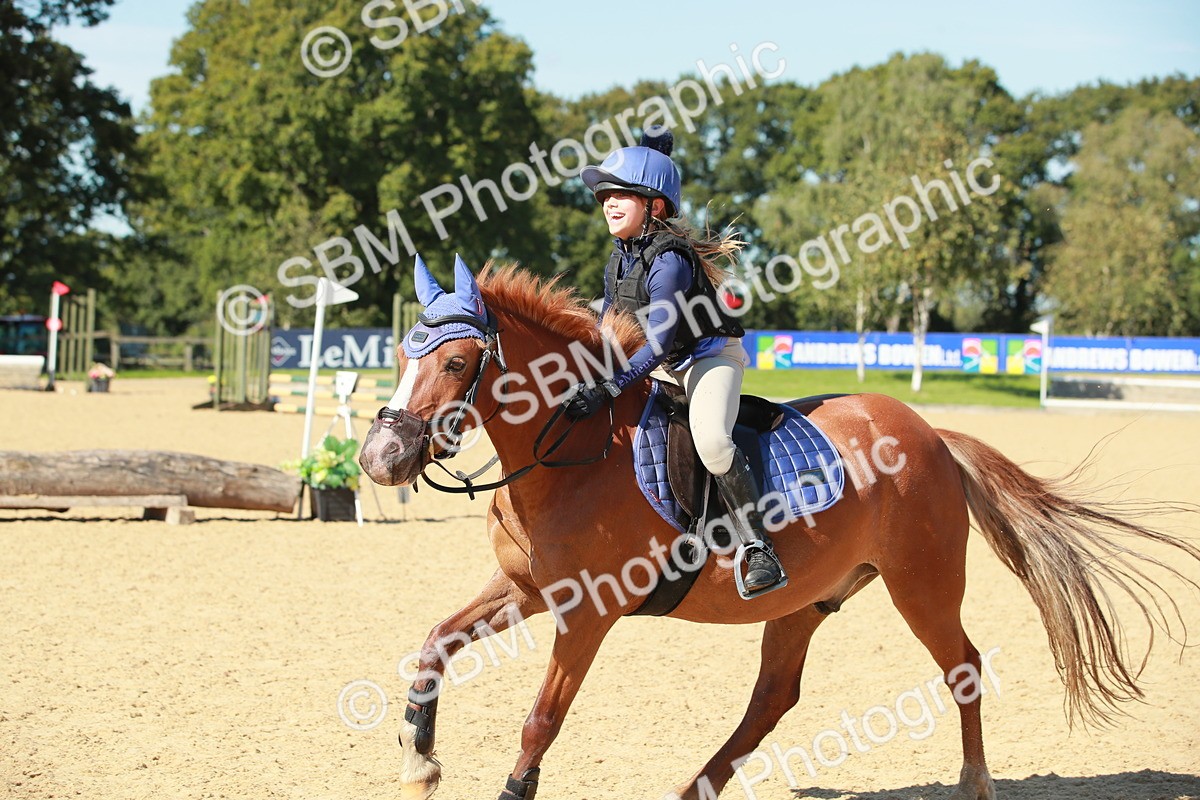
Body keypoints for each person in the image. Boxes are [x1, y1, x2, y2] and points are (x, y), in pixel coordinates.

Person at [563, 126, 787, 599]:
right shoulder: (618, 260)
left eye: (621, 193)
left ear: (655, 206)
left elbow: (660, 344)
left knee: (711, 441)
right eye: (605, 195)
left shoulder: (671, 261)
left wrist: (610, 385)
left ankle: (758, 548)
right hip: (664, 364)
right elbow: (610, 324)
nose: (608, 202)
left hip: (708, 359)